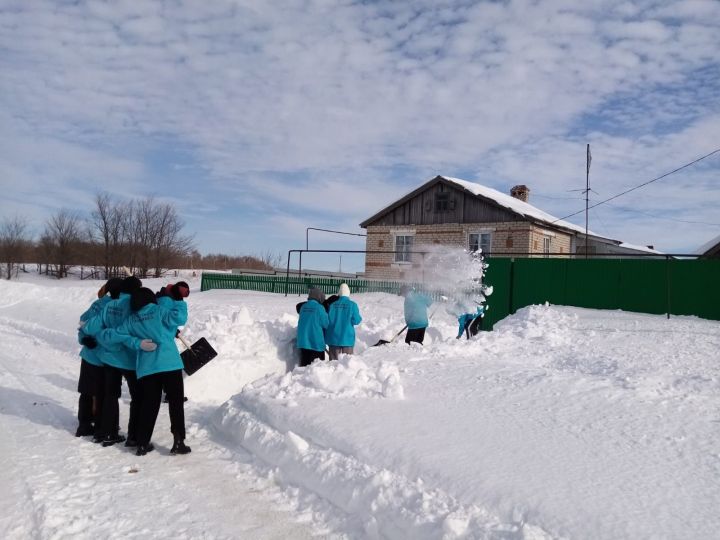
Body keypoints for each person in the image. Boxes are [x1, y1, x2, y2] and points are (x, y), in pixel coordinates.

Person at [100, 287, 189, 456]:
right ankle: (179, 441)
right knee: (176, 403)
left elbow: (114, 335)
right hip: (170, 363)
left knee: (149, 404)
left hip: (147, 368)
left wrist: (137, 342)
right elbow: (179, 317)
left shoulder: (131, 320)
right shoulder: (159, 311)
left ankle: (142, 443)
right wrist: (179, 301)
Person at [83, 275, 143, 447]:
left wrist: (92, 334)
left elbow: (90, 326)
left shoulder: (109, 305)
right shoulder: (134, 305)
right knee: (137, 397)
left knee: (110, 395)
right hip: (130, 359)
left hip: (109, 358)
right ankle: (133, 436)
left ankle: (107, 433)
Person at [75, 277, 123, 437]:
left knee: (87, 391)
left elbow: (83, 321)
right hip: (104, 357)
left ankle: (84, 424)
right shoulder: (115, 307)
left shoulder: (98, 303)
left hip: (89, 354)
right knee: (104, 393)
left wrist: (83, 338)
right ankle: (102, 426)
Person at [326, 283, 362, 360]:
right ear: (348, 293)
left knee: (333, 364)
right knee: (346, 363)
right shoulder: (352, 305)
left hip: (333, 338)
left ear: (339, 293)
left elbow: (327, 320)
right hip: (347, 338)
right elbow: (357, 320)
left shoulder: (332, 305)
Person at [296, 287, 329, 367]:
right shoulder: (320, 308)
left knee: (304, 368)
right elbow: (326, 324)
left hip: (303, 342)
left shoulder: (303, 307)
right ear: (318, 296)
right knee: (316, 369)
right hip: (316, 343)